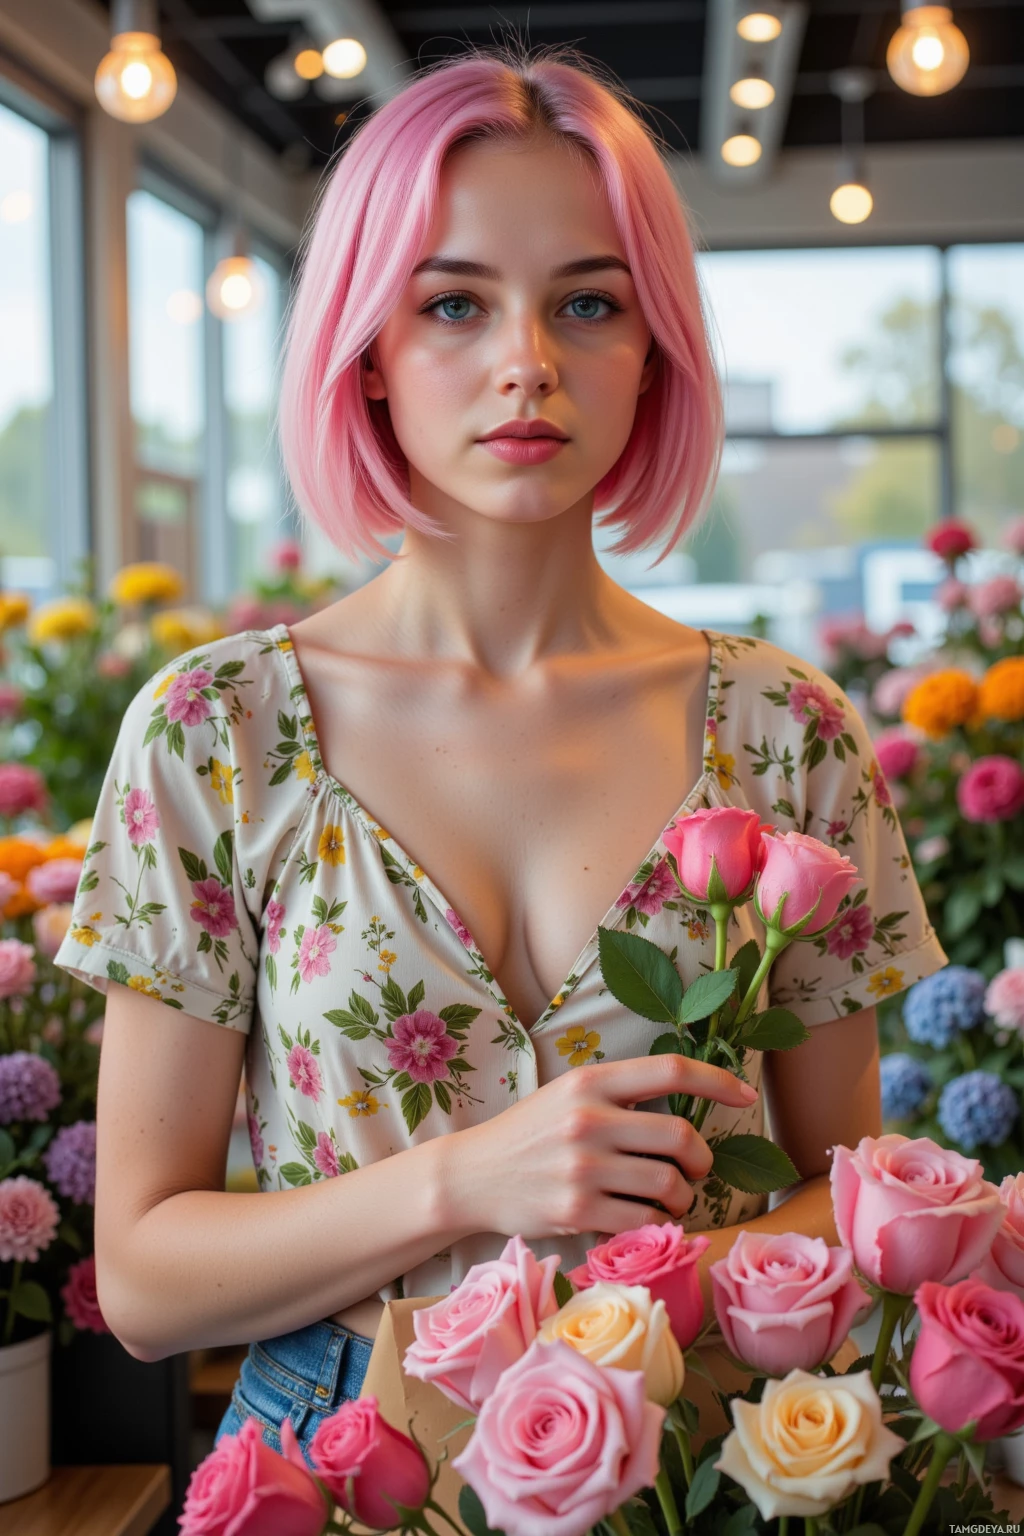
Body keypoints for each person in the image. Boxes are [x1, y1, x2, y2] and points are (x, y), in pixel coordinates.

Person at [54, 47, 948, 1467]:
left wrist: (635, 1309)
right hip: (334, 1459)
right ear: (367, 347)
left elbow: (845, 1206)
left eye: (588, 302)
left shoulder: (791, 735)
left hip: (699, 1459)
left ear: (655, 347)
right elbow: (150, 1284)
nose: (526, 360)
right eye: (454, 302)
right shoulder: (214, 733)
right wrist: (474, 1176)